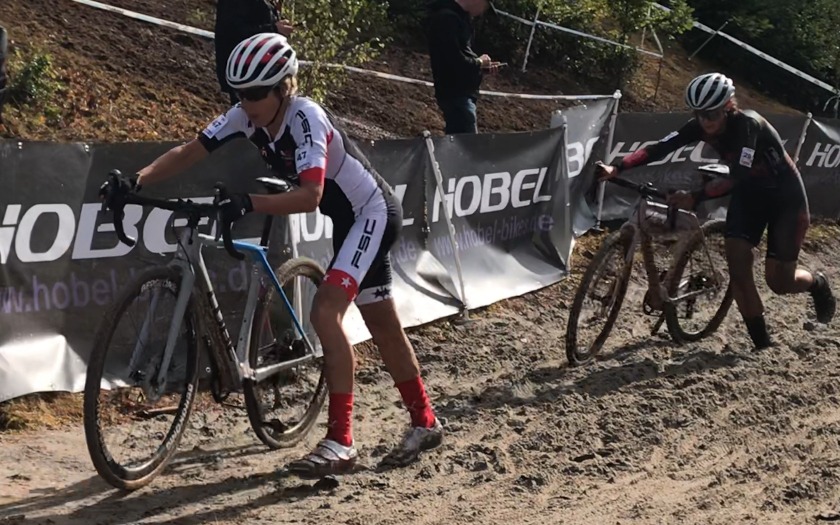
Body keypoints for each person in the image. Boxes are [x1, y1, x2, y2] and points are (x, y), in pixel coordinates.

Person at [119, 33, 444, 476]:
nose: (245, 102)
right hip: (349, 218)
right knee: (382, 323)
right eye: (239, 93)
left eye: (255, 93)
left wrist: (248, 202)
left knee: (325, 314)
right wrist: (136, 181)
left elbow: (310, 196)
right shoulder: (244, 116)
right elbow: (189, 151)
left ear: (282, 88)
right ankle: (425, 420)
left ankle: (341, 442)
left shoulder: (305, 117)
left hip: (372, 212)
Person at [596, 72, 836, 350]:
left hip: (784, 198)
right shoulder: (699, 125)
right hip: (749, 197)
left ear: (727, 106)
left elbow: (740, 176)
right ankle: (762, 345)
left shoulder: (749, 124)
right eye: (699, 114)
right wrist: (617, 167)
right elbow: (660, 148)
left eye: (711, 113)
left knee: (779, 282)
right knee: (738, 269)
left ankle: (817, 284)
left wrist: (695, 197)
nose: (705, 120)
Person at [425, 0, 500, 134]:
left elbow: (459, 59)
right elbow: (454, 61)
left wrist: (480, 68)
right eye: (485, 5)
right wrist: (479, 63)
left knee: (461, 145)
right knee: (466, 147)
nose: (483, 11)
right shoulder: (447, 19)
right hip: (456, 95)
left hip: (460, 94)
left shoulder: (458, 19)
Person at [214, 0, 294, 105]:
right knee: (251, 115)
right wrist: (274, 29)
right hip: (244, 72)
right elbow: (232, 32)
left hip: (260, 70)